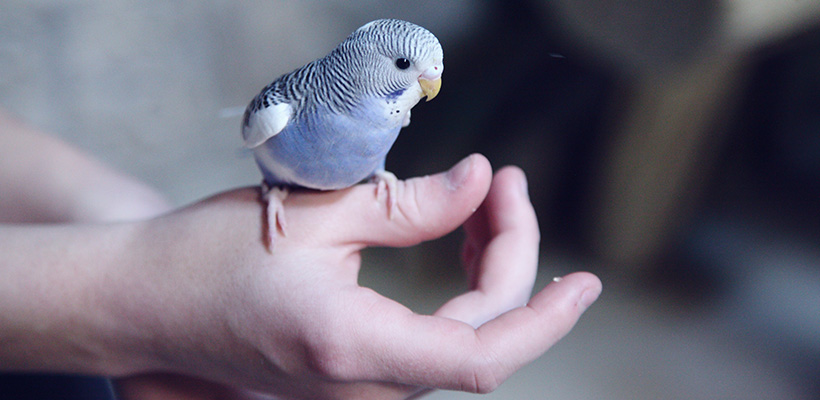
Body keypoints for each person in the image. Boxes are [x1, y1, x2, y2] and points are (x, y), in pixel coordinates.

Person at [0, 109, 602, 399]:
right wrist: (141, 294)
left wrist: (143, 228)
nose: (426, 86)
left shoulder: (389, 112)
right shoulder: (290, 106)